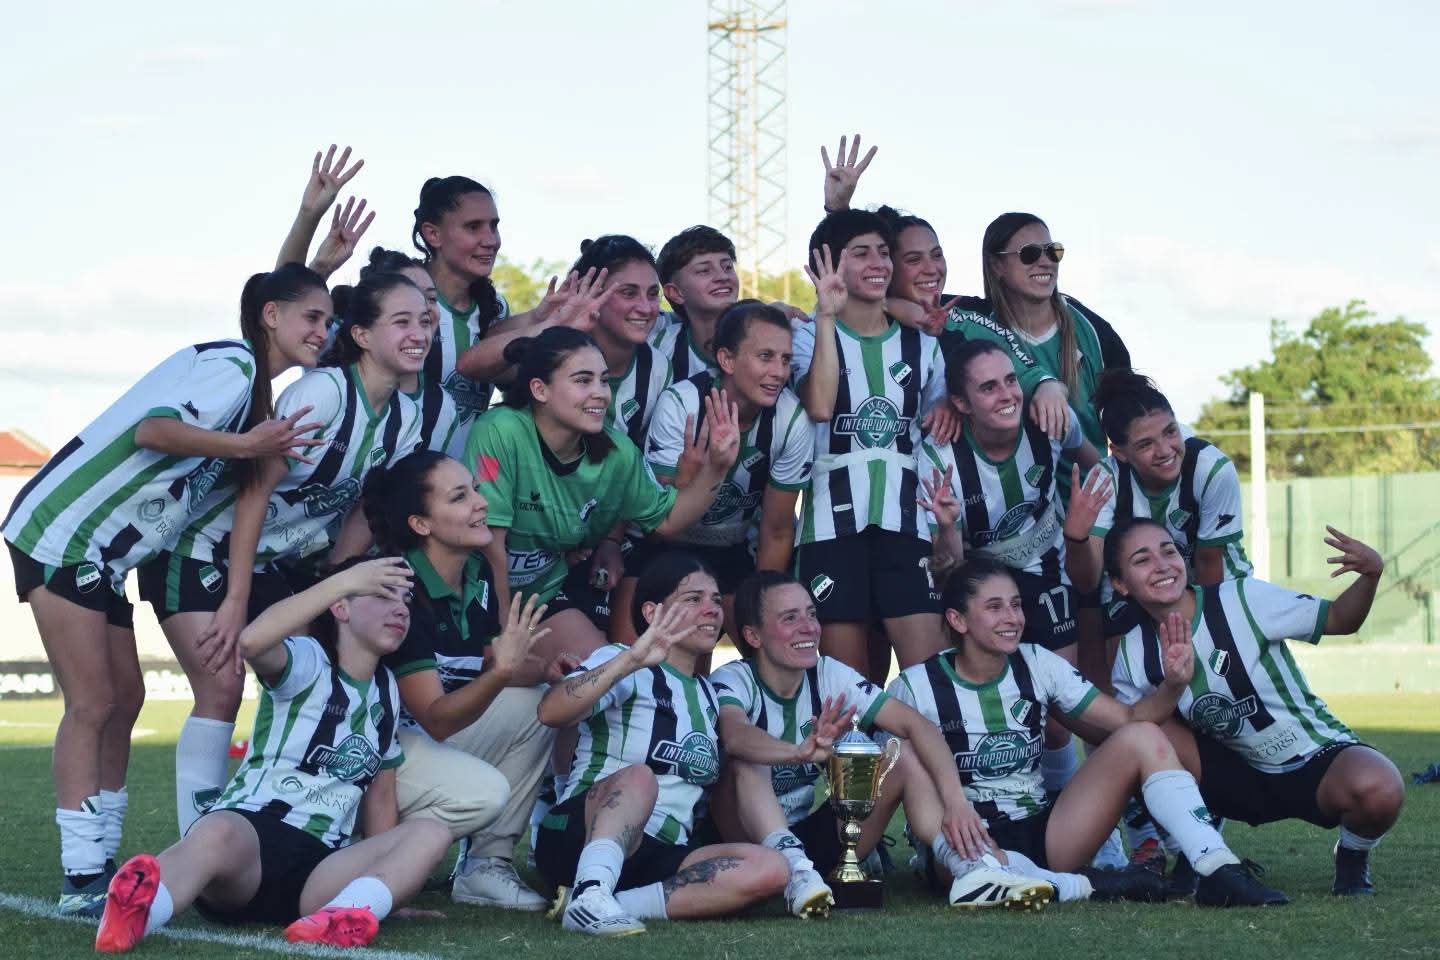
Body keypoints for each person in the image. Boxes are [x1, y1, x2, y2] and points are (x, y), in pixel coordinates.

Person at [2, 265, 327, 916]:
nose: (325, 330)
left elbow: (269, 298)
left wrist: (313, 243)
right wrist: (246, 445)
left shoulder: (252, 383)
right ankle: (82, 875)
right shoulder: (234, 366)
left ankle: (102, 861)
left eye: (329, 320)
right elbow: (152, 430)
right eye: (313, 317)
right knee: (93, 701)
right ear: (272, 317)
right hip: (66, 532)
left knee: (127, 697)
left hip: (103, 551)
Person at [144, 272, 426, 836]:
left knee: (318, 684)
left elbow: (362, 507)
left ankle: (292, 825)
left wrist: (336, 574)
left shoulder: (407, 418)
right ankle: (196, 848)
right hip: (201, 550)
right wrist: (236, 600)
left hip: (273, 565)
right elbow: (254, 489)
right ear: (363, 335)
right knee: (222, 686)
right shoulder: (324, 393)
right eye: (402, 321)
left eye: (425, 321)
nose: (419, 333)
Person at [92, 558, 453, 953]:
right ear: (341, 607)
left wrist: (388, 889)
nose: (400, 609)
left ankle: (349, 911)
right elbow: (250, 643)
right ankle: (136, 915)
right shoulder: (309, 659)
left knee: (432, 832)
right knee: (216, 830)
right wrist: (342, 581)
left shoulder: (388, 692)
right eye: (384, 595)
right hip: (251, 842)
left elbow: (380, 796)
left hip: (320, 869)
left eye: (405, 600)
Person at [889, 556, 1289, 907]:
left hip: (1046, 832)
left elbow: (1129, 719)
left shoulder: (1038, 662)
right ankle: (1082, 885)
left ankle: (1216, 866)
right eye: (994, 607)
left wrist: (1173, 685)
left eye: (1016, 604)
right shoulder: (916, 686)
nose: (1012, 618)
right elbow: (889, 773)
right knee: (902, 750)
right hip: (964, 841)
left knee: (1143, 737)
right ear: (958, 620)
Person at [710, 570, 1064, 913]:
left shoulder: (828, 673)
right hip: (745, 845)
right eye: (790, 618)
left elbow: (918, 726)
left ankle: (970, 869)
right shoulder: (734, 678)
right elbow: (735, 735)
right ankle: (796, 871)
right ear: (753, 636)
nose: (809, 627)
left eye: (812, 614)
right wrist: (796, 753)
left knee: (902, 750)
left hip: (811, 836)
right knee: (746, 761)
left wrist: (956, 803)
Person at [1106, 518, 1406, 896]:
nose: (1162, 565)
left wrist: (1371, 575)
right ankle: (1194, 850)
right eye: (1142, 559)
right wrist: (1172, 686)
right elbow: (1131, 734)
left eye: (1169, 551)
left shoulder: (1242, 598)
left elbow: (1339, 619)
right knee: (1143, 735)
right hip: (1233, 775)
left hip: (1310, 758)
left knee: (1381, 788)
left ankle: (1352, 857)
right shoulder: (1133, 652)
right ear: (1120, 584)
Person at [533, 553, 789, 935]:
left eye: (715, 600)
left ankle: (608, 903)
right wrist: (632, 658)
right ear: (652, 612)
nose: (711, 609)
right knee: (640, 777)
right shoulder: (621, 661)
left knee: (772, 868)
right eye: (693, 599)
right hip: (581, 835)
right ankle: (591, 889)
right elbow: (550, 711)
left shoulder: (709, 694)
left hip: (662, 853)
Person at [464, 326, 739, 672]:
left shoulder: (616, 451)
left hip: (539, 598)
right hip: (474, 590)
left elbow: (668, 520)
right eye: (583, 380)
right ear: (539, 389)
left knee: (606, 679)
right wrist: (506, 634)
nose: (600, 393)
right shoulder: (501, 430)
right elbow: (491, 546)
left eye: (604, 381)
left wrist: (716, 468)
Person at [362, 450, 557, 910]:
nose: (481, 502)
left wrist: (548, 669)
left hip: (422, 747)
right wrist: (504, 671)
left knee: (540, 705)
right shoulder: (399, 589)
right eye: (459, 496)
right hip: (372, 762)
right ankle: (373, 852)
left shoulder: (476, 571)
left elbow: (493, 664)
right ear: (421, 524)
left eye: (475, 489)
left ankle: (486, 866)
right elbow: (435, 719)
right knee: (486, 792)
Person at [918, 337, 1100, 809]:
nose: (1007, 395)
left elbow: (1098, 466)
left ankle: (1071, 818)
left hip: (1048, 569)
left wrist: (1100, 527)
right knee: (992, 709)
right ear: (960, 404)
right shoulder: (940, 456)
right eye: (988, 387)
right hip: (982, 584)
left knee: (1058, 717)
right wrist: (946, 527)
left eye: (1010, 381)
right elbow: (949, 571)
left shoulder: (1050, 421)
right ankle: (985, 813)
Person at [789, 210, 953, 677]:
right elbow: (820, 404)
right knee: (851, 691)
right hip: (830, 531)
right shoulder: (806, 336)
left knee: (930, 680)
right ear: (827, 266)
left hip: (908, 528)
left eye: (883, 252)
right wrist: (826, 315)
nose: (878, 263)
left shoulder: (924, 346)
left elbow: (938, 432)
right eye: (861, 253)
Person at [613, 300, 814, 646]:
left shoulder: (792, 419)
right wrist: (699, 474)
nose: (779, 372)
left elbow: (777, 531)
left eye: (785, 360)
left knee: (769, 648)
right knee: (633, 657)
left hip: (732, 546)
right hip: (663, 545)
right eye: (765, 357)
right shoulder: (682, 404)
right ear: (727, 360)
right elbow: (656, 526)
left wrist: (764, 607)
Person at [651, 225, 736, 381]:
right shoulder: (659, 348)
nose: (723, 276)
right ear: (675, 293)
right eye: (704, 270)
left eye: (728, 267)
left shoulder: (770, 332)